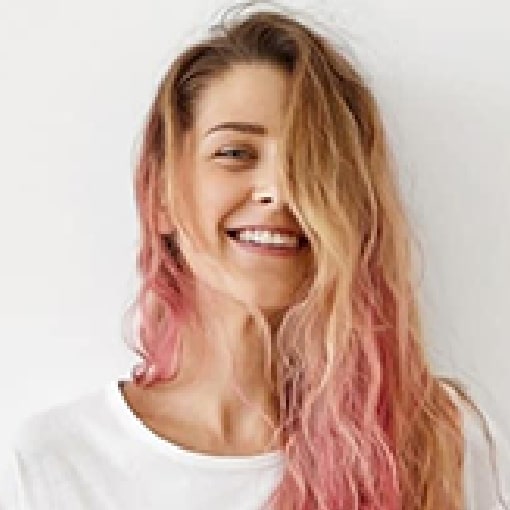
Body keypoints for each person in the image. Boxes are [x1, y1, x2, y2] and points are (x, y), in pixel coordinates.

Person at [1, 1, 509, 509]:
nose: (280, 191)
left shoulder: (441, 442)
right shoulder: (49, 466)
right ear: (161, 197)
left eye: (312, 162)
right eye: (235, 153)